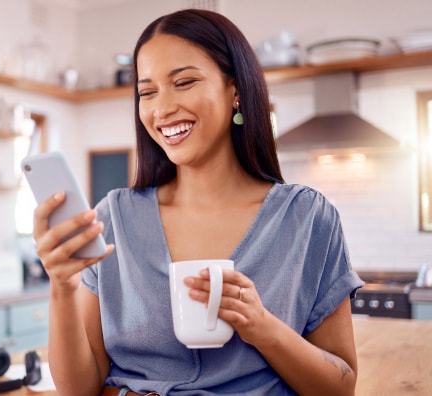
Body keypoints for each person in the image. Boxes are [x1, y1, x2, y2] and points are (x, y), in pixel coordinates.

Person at [31, 8, 364, 396]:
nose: (161, 109)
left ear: (235, 90)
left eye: (184, 82)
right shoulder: (114, 219)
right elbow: (79, 391)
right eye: (147, 92)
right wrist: (62, 286)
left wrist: (262, 327)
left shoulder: (307, 218)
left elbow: (341, 387)